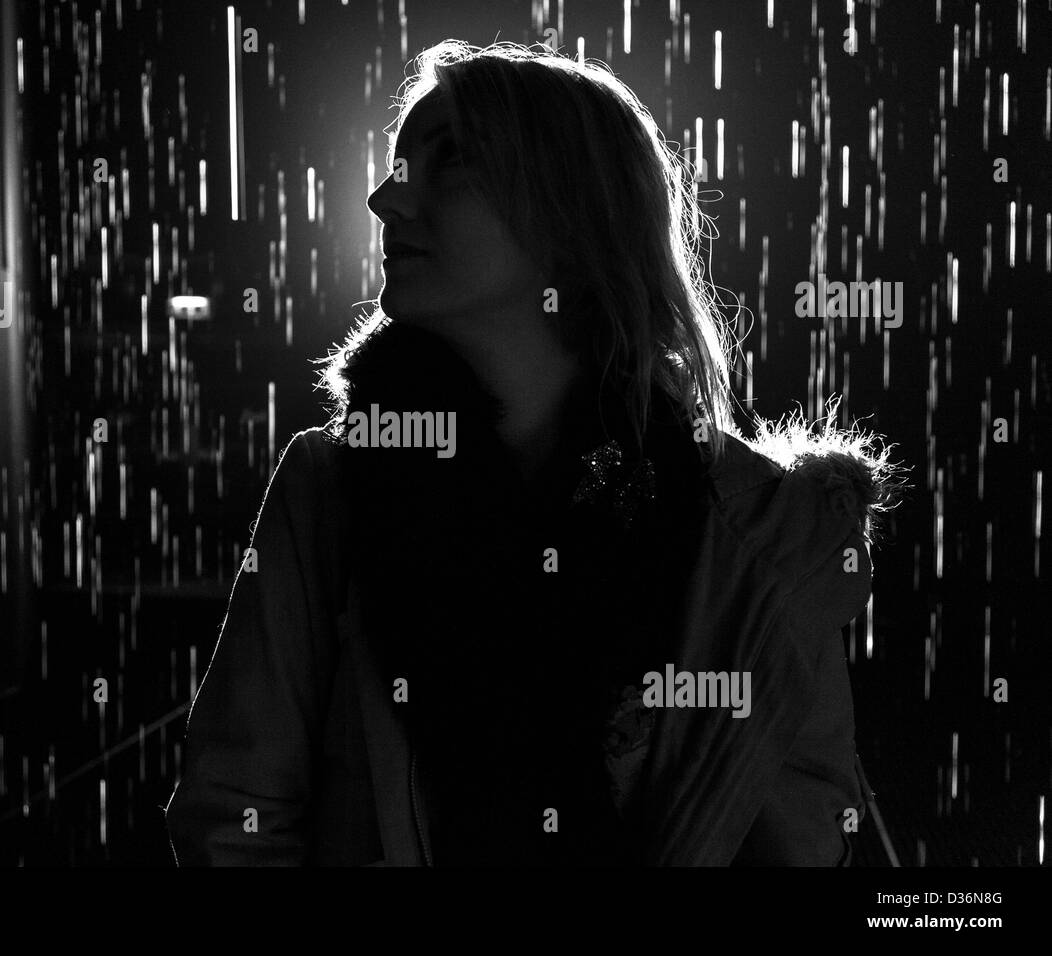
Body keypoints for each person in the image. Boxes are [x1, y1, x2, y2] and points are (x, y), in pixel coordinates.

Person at [164, 40, 901, 866]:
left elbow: (801, 844)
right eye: (395, 166)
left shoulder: (760, 536)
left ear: (571, 213)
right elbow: (235, 819)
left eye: (449, 165)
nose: (382, 199)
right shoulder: (329, 489)